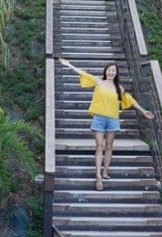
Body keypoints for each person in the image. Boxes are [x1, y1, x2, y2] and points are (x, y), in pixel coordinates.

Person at [57, 57, 155, 191]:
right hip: (99, 118)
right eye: (109, 70)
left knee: (109, 147)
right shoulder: (98, 82)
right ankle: (98, 175)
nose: (111, 73)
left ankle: (105, 171)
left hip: (113, 120)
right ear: (105, 72)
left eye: (113, 71)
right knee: (99, 146)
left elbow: (130, 99)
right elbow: (83, 73)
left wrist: (143, 111)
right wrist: (68, 64)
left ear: (116, 73)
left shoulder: (118, 88)